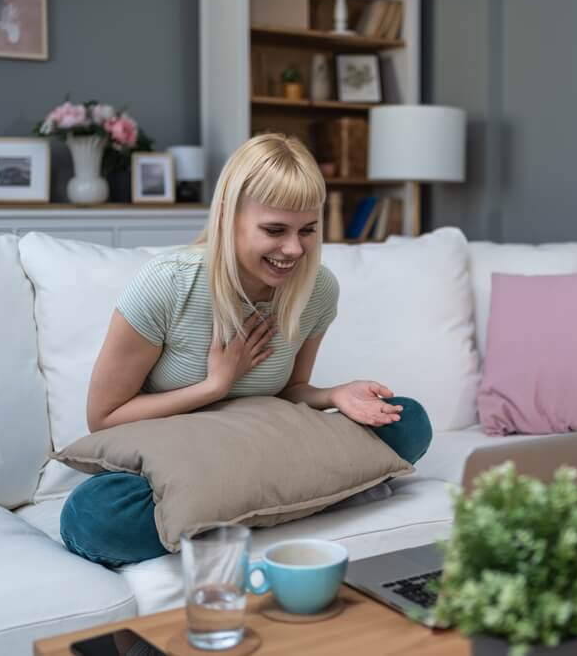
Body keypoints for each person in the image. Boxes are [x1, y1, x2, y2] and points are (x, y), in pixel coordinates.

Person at [60, 134, 431, 567]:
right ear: (227, 217)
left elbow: (290, 390)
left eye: (308, 230)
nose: (293, 249)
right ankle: (298, 499)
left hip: (258, 448)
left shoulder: (317, 289)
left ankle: (237, 512)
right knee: (94, 518)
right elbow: (103, 419)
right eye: (275, 230)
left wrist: (334, 395)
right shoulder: (168, 284)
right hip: (182, 458)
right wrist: (215, 385)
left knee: (407, 419)